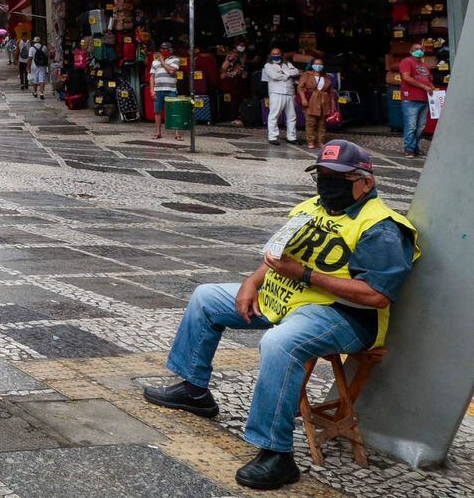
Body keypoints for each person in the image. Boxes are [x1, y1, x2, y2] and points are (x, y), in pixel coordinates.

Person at [142, 141, 418, 491]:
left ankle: (276, 453)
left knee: (280, 343)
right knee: (206, 297)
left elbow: (376, 295)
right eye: (321, 176)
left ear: (365, 182)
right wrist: (251, 282)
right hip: (285, 298)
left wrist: (304, 275)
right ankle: (194, 390)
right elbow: (278, 255)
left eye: (336, 178)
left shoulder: (381, 227)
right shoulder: (311, 208)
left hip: (344, 316)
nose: (325, 184)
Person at [397, 45, 435, 157]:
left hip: (424, 99)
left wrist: (431, 87)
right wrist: (424, 87)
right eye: (416, 49)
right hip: (410, 99)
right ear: (411, 51)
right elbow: (406, 77)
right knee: (411, 126)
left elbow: (427, 80)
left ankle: (415, 147)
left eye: (421, 49)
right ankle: (409, 149)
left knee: (420, 127)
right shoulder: (407, 61)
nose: (419, 51)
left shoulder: (424, 65)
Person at [297, 58, 338, 151]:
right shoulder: (306, 75)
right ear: (312, 65)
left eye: (320, 64)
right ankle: (310, 141)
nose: (318, 66)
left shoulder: (326, 77)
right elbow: (300, 88)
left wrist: (333, 105)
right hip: (311, 101)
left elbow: (331, 92)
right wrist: (303, 99)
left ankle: (321, 141)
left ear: (323, 66)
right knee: (310, 122)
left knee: (322, 123)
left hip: (324, 102)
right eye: (316, 64)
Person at [262, 48, 301, 146]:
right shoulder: (268, 65)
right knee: (274, 115)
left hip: (290, 93)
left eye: (278, 53)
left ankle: (291, 137)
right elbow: (274, 76)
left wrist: (283, 74)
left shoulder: (287, 64)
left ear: (281, 54)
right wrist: (288, 75)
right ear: (270, 55)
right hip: (276, 93)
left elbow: (296, 71)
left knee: (292, 116)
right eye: (274, 54)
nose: (276, 55)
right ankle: (272, 137)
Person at [150, 42, 182, 141]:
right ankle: (158, 132)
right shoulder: (155, 62)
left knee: (174, 111)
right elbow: (152, 76)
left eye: (166, 49)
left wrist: (163, 62)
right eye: (162, 49)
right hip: (158, 90)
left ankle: (177, 134)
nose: (164, 51)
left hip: (171, 89)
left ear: (170, 51)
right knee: (157, 112)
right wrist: (152, 90)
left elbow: (172, 71)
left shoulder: (175, 60)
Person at [220, 44, 249, 127]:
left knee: (240, 99)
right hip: (231, 82)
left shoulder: (242, 58)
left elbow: (244, 74)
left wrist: (242, 68)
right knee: (233, 101)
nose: (235, 54)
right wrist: (233, 73)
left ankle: (240, 117)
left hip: (240, 83)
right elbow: (222, 74)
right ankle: (233, 118)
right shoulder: (230, 59)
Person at [29, 36, 51, 101]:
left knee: (35, 79)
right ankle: (41, 93)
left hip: (34, 66)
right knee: (42, 79)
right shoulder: (44, 47)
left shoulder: (31, 48)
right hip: (42, 65)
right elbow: (47, 56)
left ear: (34, 41)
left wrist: (28, 66)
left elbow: (30, 58)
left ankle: (35, 92)